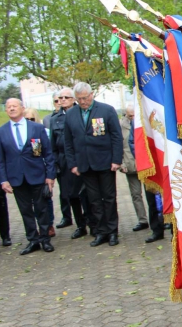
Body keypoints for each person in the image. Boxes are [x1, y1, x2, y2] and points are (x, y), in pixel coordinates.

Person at [63, 82, 123, 247]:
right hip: (84, 164)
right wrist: (72, 164)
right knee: (94, 200)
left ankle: (112, 231)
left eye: (84, 98)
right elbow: (68, 142)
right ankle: (101, 231)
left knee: (109, 198)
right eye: (79, 99)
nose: (82, 102)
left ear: (91, 95)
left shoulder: (106, 110)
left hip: (105, 162)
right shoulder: (71, 114)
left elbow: (116, 137)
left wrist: (116, 160)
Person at [0, 98, 56, 254]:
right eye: (8, 107)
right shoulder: (1, 132)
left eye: (14, 106)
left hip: (37, 175)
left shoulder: (36, 128)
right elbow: (0, 159)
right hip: (16, 178)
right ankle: (33, 240)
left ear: (22, 108)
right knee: (25, 211)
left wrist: (50, 175)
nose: (11, 109)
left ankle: (45, 239)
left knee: (41, 209)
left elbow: (47, 153)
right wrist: (3, 180)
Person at [50, 88, 89, 239]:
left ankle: (91, 221)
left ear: (74, 99)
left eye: (66, 97)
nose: (63, 100)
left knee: (87, 194)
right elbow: (53, 145)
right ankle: (80, 225)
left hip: (83, 159)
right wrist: (55, 164)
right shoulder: (55, 119)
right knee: (71, 195)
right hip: (65, 163)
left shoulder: (82, 113)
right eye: (60, 98)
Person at [126, 115, 165, 243]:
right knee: (152, 199)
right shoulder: (137, 119)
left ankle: (174, 230)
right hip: (150, 164)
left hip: (166, 161)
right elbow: (132, 141)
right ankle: (156, 230)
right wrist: (143, 158)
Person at [25, 107, 55, 239]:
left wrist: (49, 173)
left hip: (41, 171)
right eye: (27, 119)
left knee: (45, 199)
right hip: (25, 173)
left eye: (32, 119)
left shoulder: (42, 131)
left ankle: (48, 225)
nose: (30, 121)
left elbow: (42, 153)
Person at [120, 104, 149, 232]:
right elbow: (118, 144)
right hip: (130, 164)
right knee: (136, 194)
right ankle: (142, 220)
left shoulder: (144, 121)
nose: (132, 118)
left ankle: (160, 217)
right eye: (130, 116)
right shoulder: (121, 126)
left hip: (146, 165)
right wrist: (121, 163)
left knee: (153, 193)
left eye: (134, 115)